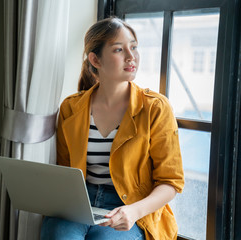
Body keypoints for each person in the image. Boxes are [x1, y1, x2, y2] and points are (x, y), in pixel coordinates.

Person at [41, 17, 184, 240]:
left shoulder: (155, 108)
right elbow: (66, 172)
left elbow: (171, 182)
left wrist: (134, 211)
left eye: (134, 47)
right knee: (59, 235)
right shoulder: (71, 108)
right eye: (119, 49)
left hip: (132, 206)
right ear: (95, 59)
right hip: (80, 204)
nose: (131, 56)